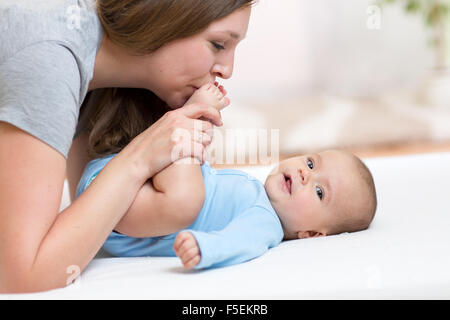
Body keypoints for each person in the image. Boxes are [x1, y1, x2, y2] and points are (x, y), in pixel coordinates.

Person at [0, 0, 253, 292]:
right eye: (219, 44)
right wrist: (140, 157)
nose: (228, 70)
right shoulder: (51, 56)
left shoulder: (100, 77)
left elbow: (94, 221)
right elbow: (22, 275)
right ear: (164, 15)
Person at [75, 84, 378, 270]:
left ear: (311, 234)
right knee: (195, 172)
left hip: (124, 213)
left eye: (320, 192)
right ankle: (184, 119)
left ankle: (191, 114)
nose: (304, 174)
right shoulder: (255, 193)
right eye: (311, 164)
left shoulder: (265, 224)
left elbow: (239, 243)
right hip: (119, 185)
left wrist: (206, 248)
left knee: (189, 183)